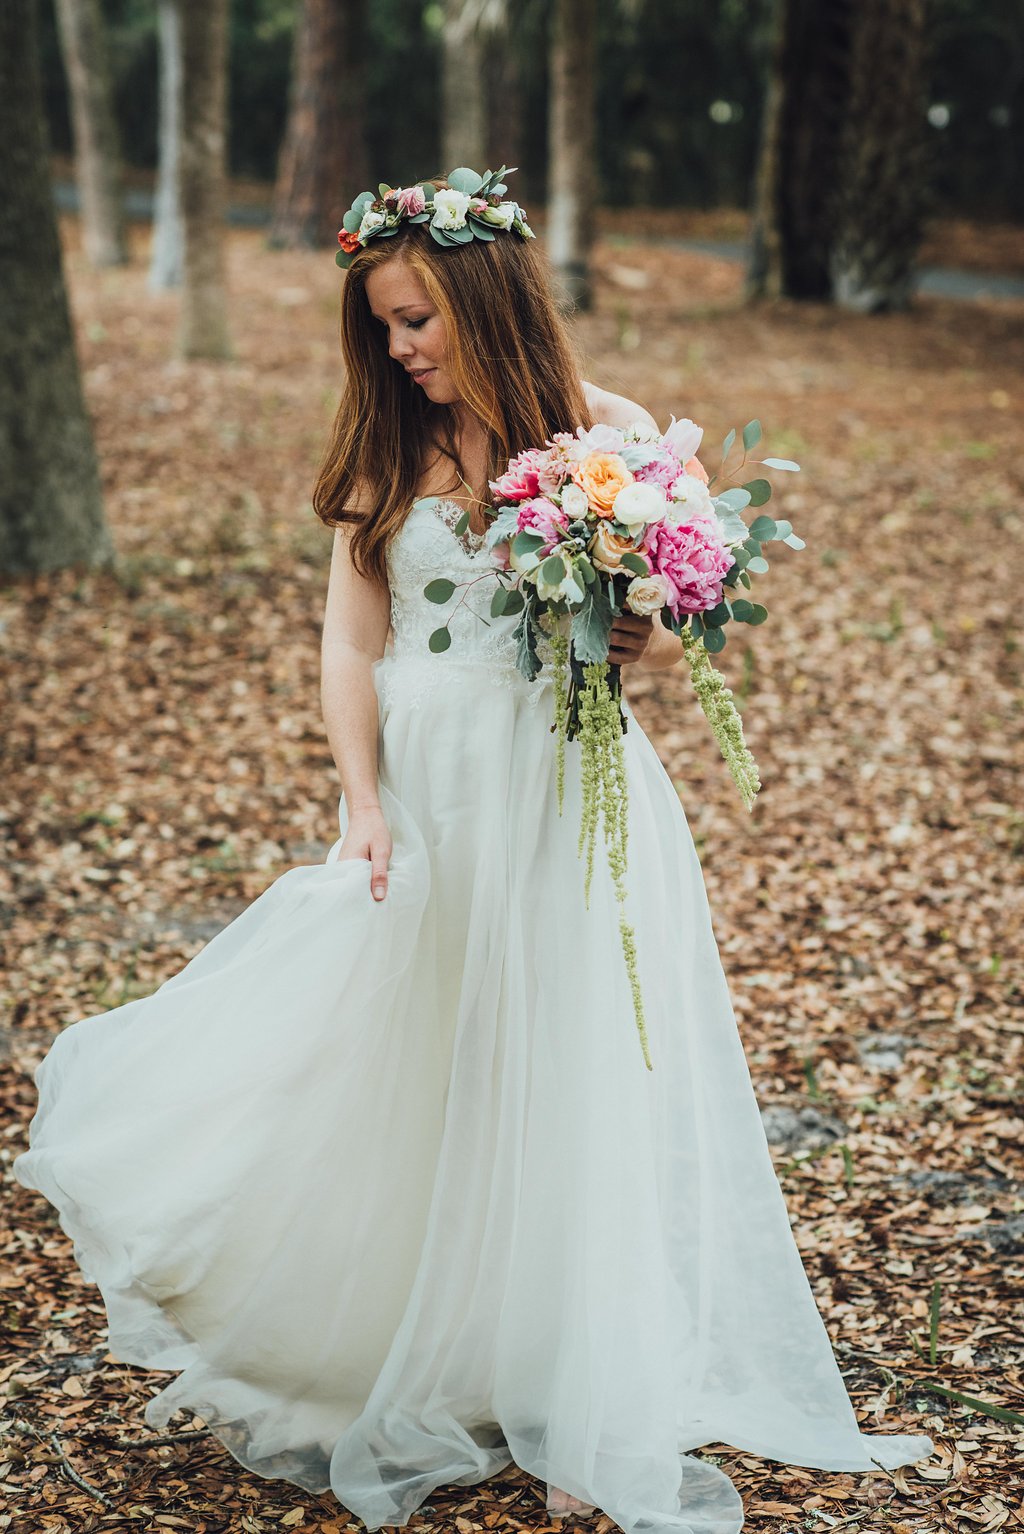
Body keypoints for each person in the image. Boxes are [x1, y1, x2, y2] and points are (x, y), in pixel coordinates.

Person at [14, 169, 934, 1534]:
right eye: (382, 327)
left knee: (564, 1071)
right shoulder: (387, 455)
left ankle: (581, 1391)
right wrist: (362, 800)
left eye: (416, 323)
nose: (399, 350)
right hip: (435, 796)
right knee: (433, 1057)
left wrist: (648, 634)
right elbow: (348, 639)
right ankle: (440, 1333)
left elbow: (666, 612)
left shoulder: (603, 442)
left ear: (490, 303)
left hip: (563, 787)